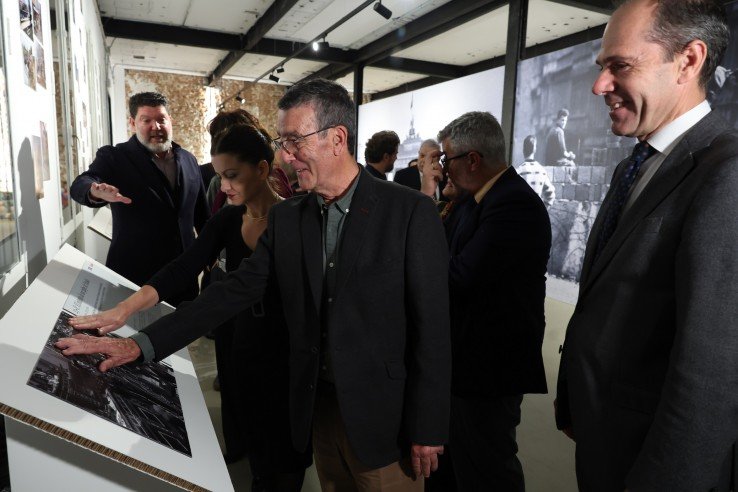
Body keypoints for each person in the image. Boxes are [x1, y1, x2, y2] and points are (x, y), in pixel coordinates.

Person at [57, 78, 451, 491]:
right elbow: (231, 291)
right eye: (283, 141)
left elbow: (434, 330)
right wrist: (139, 344)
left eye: (295, 141)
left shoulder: (410, 213)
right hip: (318, 411)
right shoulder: (290, 218)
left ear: (337, 138)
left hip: (384, 420)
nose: (285, 154)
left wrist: (428, 425)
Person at [554, 1, 738, 490]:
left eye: (621, 66)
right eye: (601, 68)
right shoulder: (634, 165)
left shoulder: (726, 175)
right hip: (606, 440)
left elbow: (711, 379)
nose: (599, 86)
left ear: (689, 61)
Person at [69, 123, 311, 490]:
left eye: (232, 176)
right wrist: (125, 309)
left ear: (262, 170)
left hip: (284, 351)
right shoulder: (231, 217)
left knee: (282, 449)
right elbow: (184, 266)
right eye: (220, 176)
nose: (223, 187)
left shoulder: (294, 218)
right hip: (236, 336)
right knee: (243, 416)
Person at [437, 112, 551, 491]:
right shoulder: (477, 200)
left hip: (489, 369)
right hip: (465, 362)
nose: (443, 169)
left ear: (472, 159)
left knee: (487, 470)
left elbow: (459, 276)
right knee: (458, 466)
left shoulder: (513, 204)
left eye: (446, 159)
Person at [70, 92, 209, 306]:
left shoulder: (189, 160)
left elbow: (201, 215)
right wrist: (94, 190)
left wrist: (210, 254)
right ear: (133, 123)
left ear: (170, 120)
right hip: (134, 278)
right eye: (147, 120)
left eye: (161, 119)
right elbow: (82, 182)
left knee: (179, 335)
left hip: (183, 277)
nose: (156, 127)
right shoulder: (115, 157)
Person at [517, 135, 555, 207]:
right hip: (537, 216)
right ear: (534, 150)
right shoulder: (541, 171)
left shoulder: (518, 172)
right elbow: (550, 195)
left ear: (523, 150)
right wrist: (542, 210)